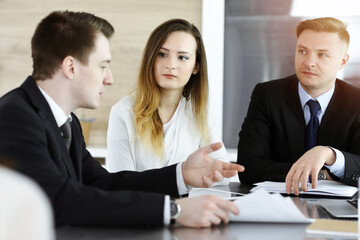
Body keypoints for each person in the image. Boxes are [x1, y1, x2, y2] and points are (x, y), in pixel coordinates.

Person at [0, 11, 244, 228]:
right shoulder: (15, 116)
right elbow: (61, 200)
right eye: (103, 66)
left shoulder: (67, 122)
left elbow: (102, 183)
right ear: (71, 68)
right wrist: (174, 210)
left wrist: (181, 175)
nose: (109, 79)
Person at [237, 17, 360, 195]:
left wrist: (330, 155)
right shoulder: (267, 95)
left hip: (343, 211)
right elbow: (247, 167)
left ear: (342, 61)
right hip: (277, 205)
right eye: (302, 51)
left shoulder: (357, 102)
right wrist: (320, 175)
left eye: (322, 54)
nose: (309, 62)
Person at [107, 19, 229, 178]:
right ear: (151, 59)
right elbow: (121, 185)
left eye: (183, 57)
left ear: (196, 67)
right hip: (144, 203)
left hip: (190, 203)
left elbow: (225, 176)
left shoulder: (199, 112)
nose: (171, 65)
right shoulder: (123, 112)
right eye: (162, 54)